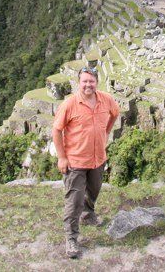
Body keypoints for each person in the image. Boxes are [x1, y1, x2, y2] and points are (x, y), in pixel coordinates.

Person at [52, 66, 120, 259]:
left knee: (94, 190)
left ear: (97, 82)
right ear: (78, 83)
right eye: (85, 81)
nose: (88, 85)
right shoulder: (69, 104)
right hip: (75, 161)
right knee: (74, 201)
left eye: (91, 81)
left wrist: (106, 132)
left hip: (98, 158)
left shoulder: (106, 99)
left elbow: (115, 113)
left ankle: (88, 215)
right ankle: (71, 238)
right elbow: (56, 130)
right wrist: (62, 157)